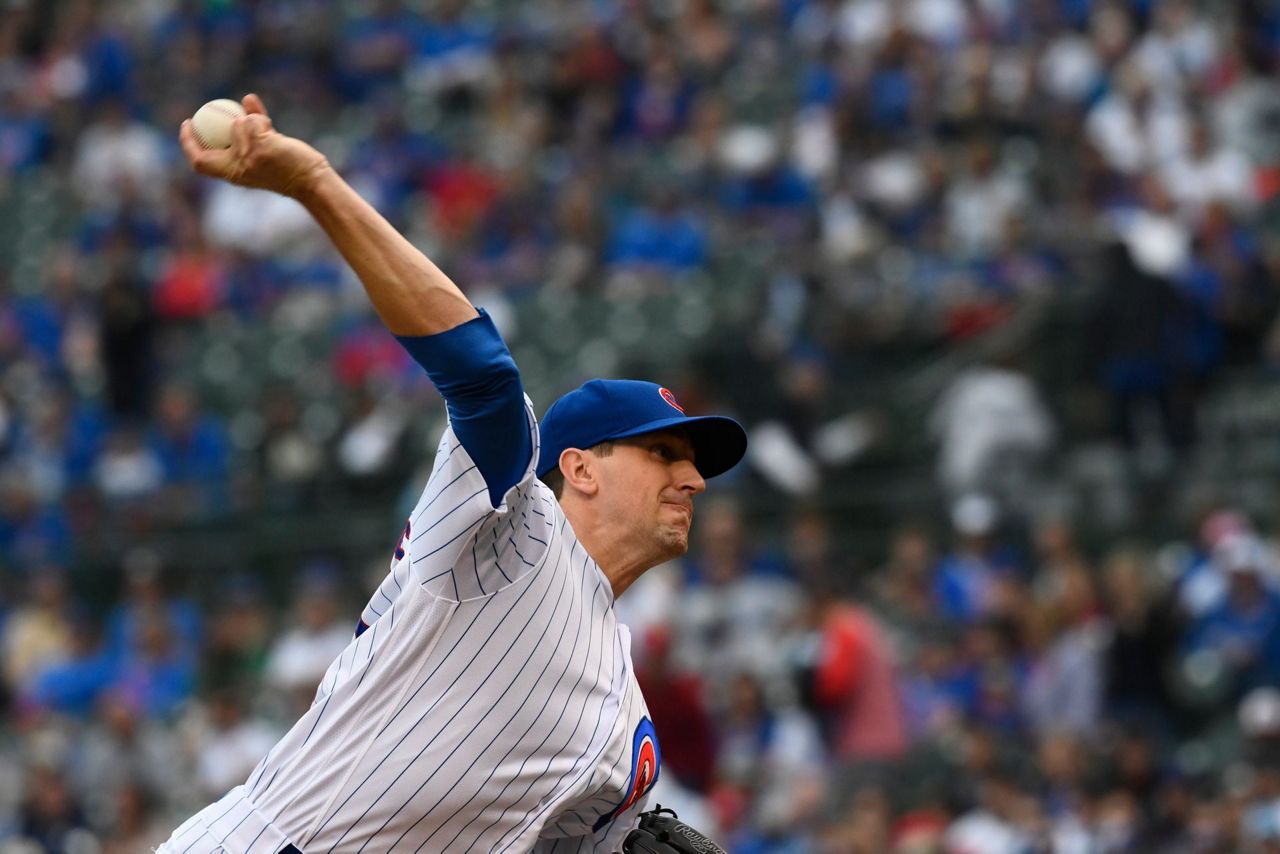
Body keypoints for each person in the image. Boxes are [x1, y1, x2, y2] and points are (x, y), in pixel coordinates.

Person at [158, 94, 746, 853]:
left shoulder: (628, 722)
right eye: (663, 454)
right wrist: (313, 182)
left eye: (694, 464)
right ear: (579, 468)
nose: (692, 480)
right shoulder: (516, 533)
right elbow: (482, 378)